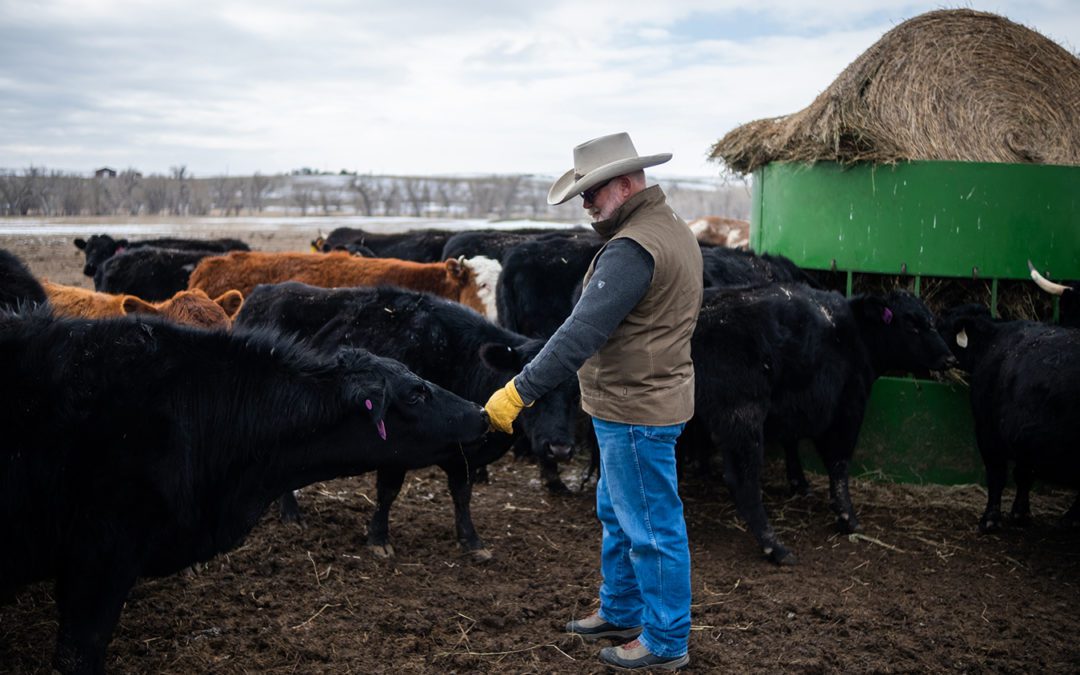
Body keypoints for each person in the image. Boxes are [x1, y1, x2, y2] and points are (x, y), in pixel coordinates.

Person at [484, 132, 703, 670]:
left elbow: (580, 333)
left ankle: (666, 640)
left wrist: (520, 390)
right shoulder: (668, 228)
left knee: (650, 525)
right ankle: (622, 608)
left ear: (625, 185)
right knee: (619, 511)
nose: (585, 205)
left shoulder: (634, 248)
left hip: (635, 409)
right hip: (637, 400)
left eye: (591, 193)